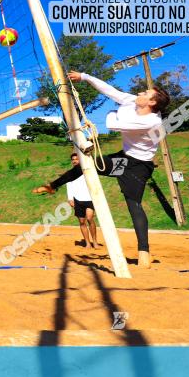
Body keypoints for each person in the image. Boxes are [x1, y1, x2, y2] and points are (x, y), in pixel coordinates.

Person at [32, 71, 170, 268]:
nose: (140, 92)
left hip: (139, 166)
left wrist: (112, 112)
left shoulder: (151, 122)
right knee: (86, 165)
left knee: (134, 205)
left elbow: (111, 123)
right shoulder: (133, 102)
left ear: (152, 103)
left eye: (146, 93)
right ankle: (53, 186)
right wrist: (85, 76)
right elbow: (110, 91)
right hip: (124, 157)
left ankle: (144, 252)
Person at [66, 153, 98, 249]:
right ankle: (87, 243)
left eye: (77, 159)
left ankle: (95, 242)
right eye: (73, 159)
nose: (75, 160)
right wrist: (70, 198)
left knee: (89, 218)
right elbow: (69, 185)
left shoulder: (86, 171)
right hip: (77, 199)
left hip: (89, 198)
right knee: (82, 221)